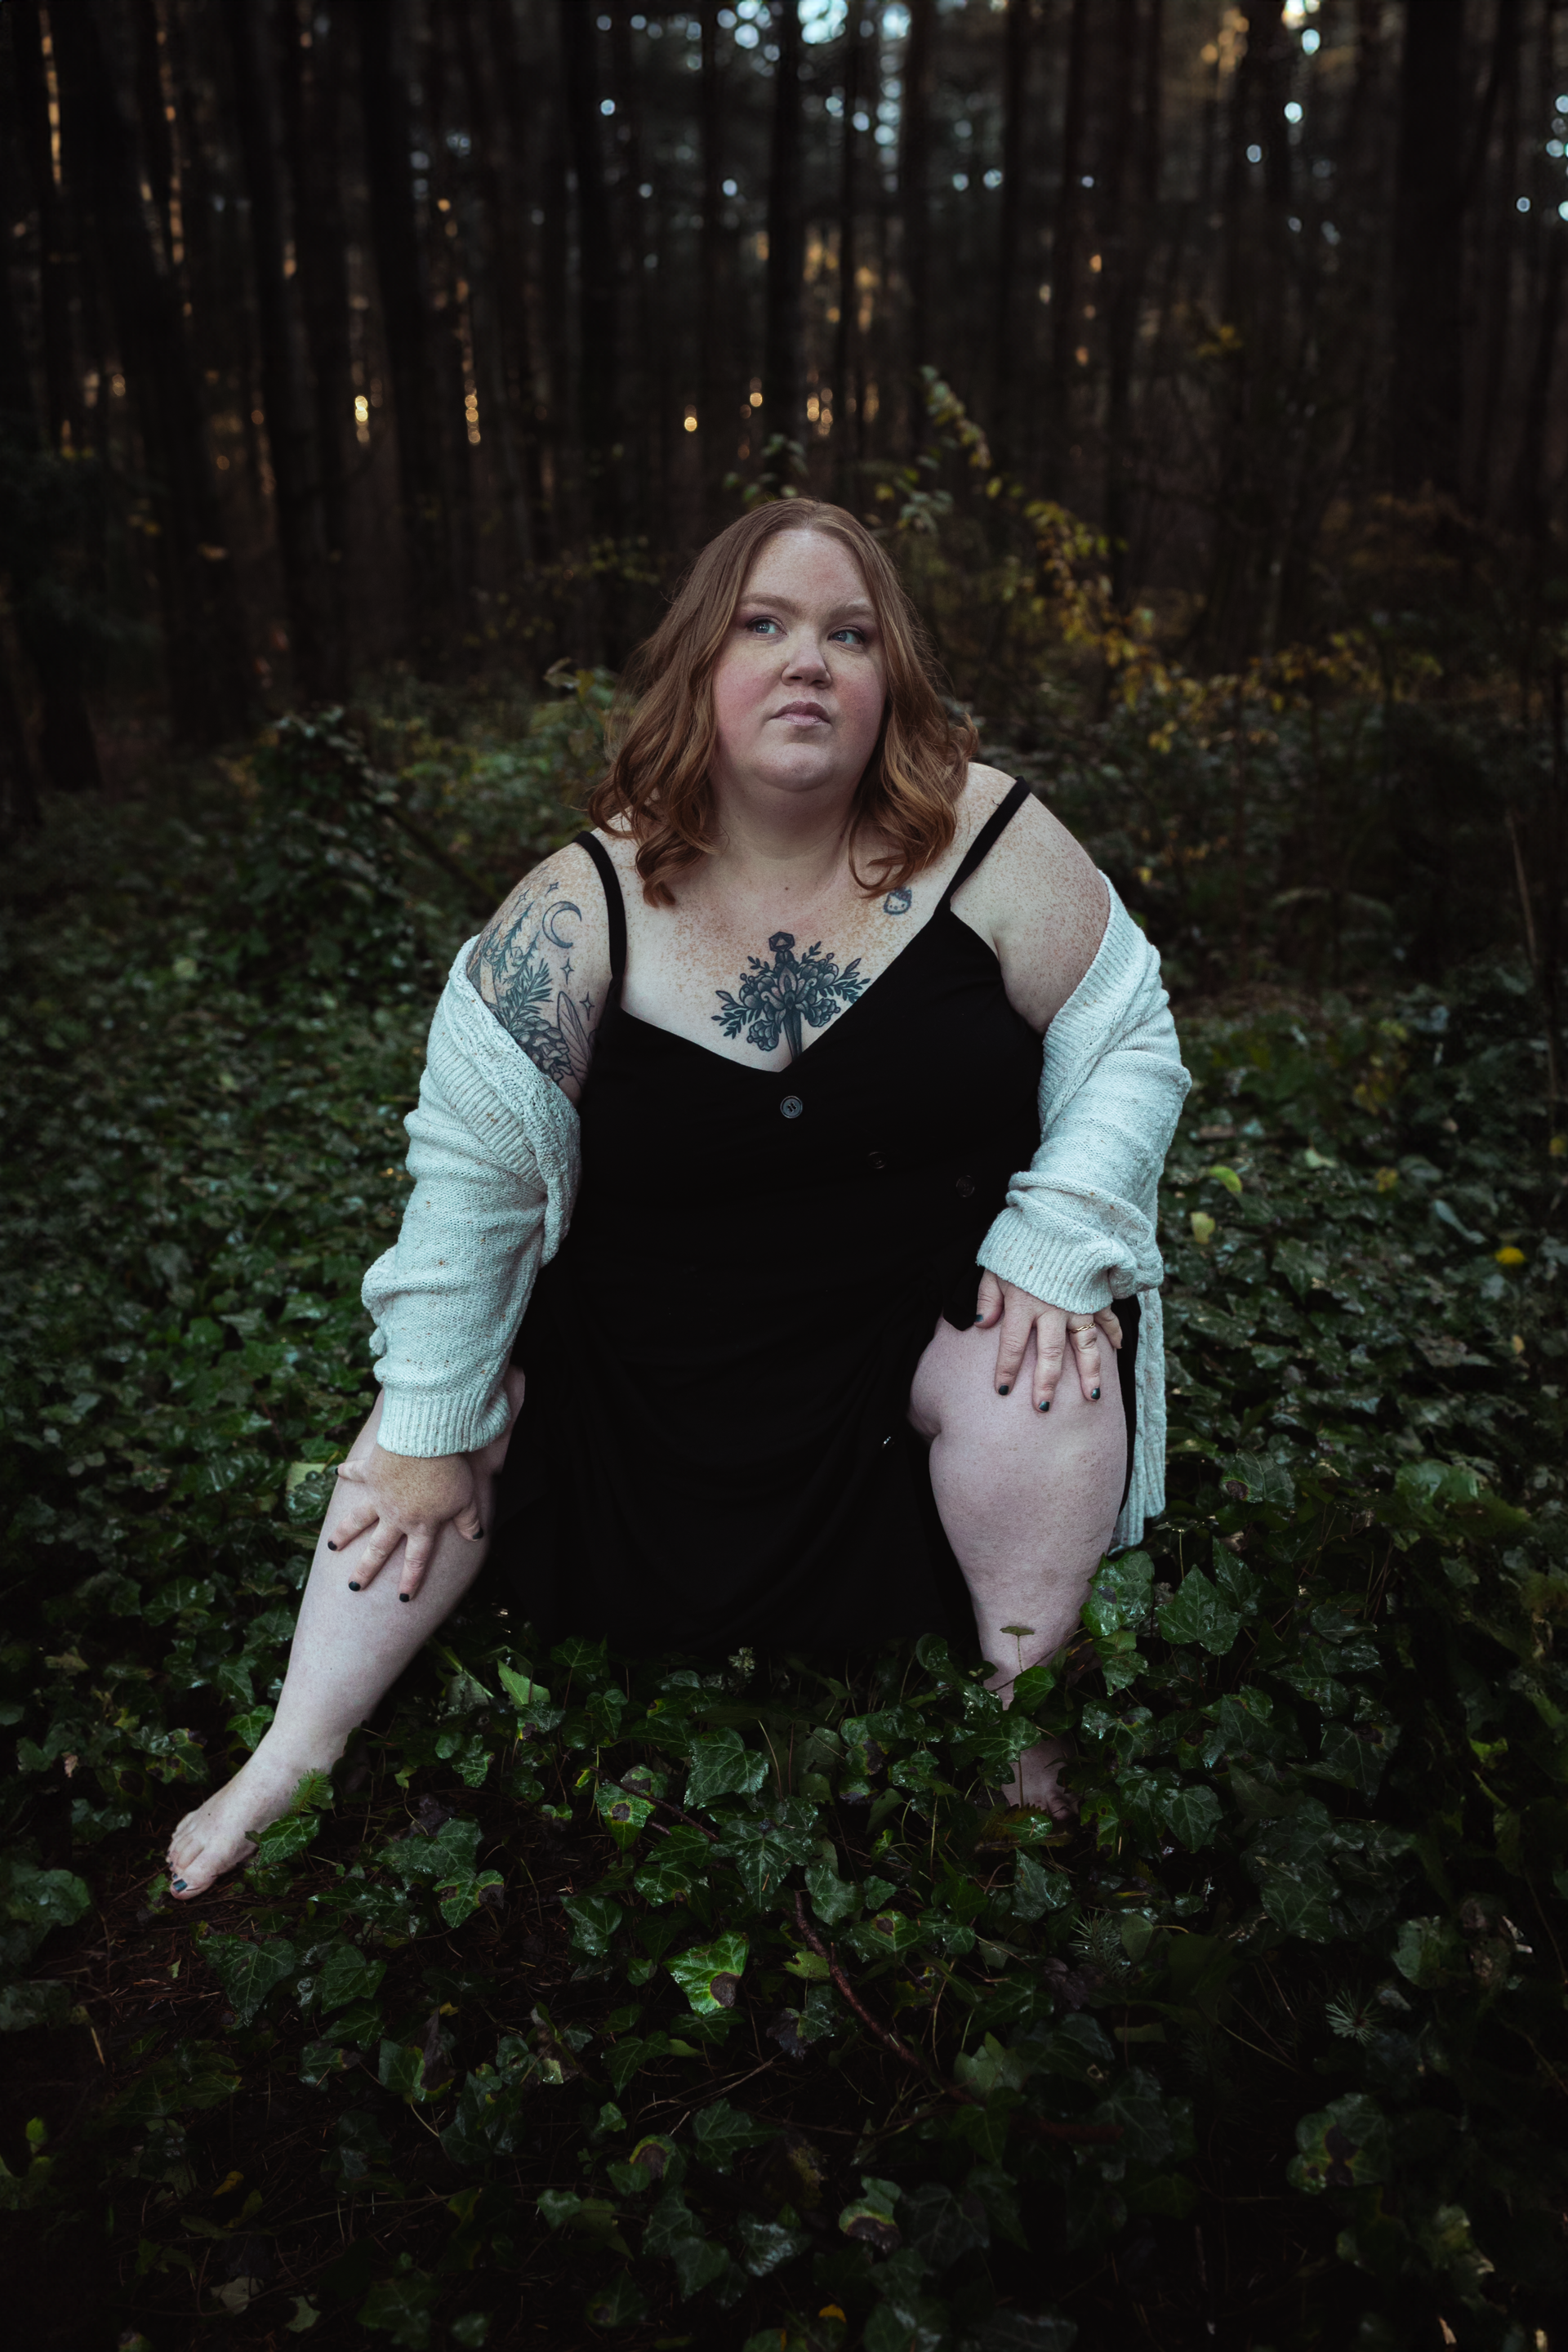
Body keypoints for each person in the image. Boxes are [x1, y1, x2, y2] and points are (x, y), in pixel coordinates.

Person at [167, 502, 1188, 1900]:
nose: (809, 662)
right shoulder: (578, 907)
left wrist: (1062, 1235)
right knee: (442, 1413)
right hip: (644, 1402)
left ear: (892, 678)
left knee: (1045, 1368)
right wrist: (424, 1425)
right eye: (764, 626)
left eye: (849, 632)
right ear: (700, 668)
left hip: (911, 1376)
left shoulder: (993, 839)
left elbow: (1125, 1034)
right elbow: (471, 1198)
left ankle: (1032, 1738)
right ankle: (295, 1748)